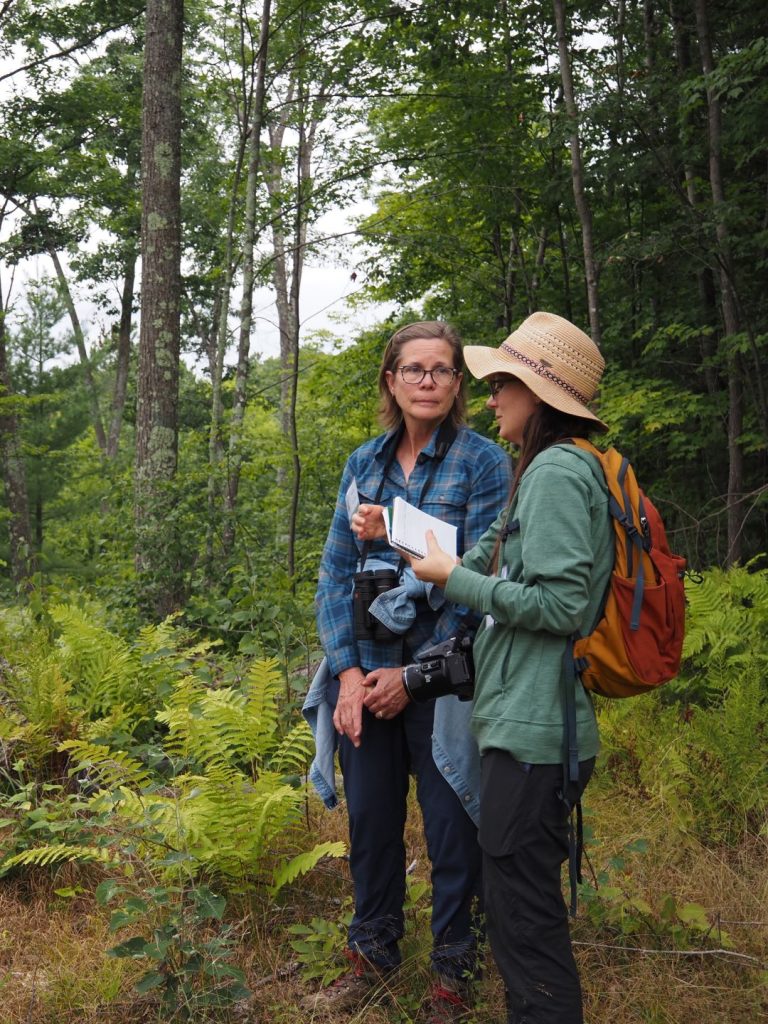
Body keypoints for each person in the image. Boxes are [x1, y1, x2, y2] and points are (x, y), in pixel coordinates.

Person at [409, 311, 614, 1024]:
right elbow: (486, 556)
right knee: (517, 902)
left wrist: (454, 581)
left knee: (522, 915)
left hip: (536, 732)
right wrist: (424, 555)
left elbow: (560, 605)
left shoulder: (558, 472)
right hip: (527, 724)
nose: (491, 396)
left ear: (542, 395)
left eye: (504, 384)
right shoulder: (541, 470)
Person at [306, 321, 511, 1020]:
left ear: (458, 385)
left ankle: (455, 972)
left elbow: (482, 575)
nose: (428, 381)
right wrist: (349, 675)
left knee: (454, 827)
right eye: (414, 369)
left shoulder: (482, 463)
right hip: (369, 671)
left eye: (442, 370)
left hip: (446, 677)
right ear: (390, 380)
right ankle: (372, 953)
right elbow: (334, 574)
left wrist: (412, 676)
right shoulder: (363, 462)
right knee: (370, 822)